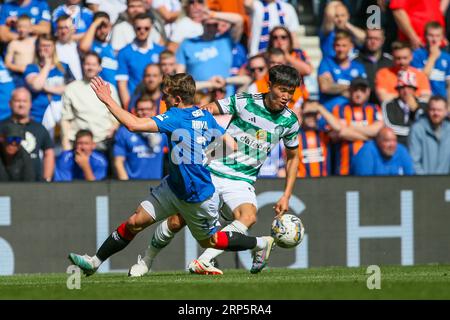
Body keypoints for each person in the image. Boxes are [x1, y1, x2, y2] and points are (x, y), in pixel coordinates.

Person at [68, 73, 275, 276]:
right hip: (173, 187)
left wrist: (107, 100)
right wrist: (204, 157)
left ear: (176, 99)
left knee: (209, 241)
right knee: (135, 222)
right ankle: (94, 262)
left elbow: (133, 124)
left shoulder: (175, 116)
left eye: (166, 97)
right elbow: (231, 144)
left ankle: (260, 243)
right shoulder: (204, 115)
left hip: (198, 196)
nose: (163, 101)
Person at [128, 65, 301, 277]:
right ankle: (146, 260)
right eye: (282, 89)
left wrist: (286, 195)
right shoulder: (244, 101)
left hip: (242, 179)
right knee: (176, 221)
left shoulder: (290, 121)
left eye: (290, 92)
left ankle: (203, 260)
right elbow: (209, 109)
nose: (286, 96)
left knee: (248, 216)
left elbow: (293, 158)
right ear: (270, 85)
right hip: (211, 168)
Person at [61, 52, 119, 152]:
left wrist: (114, 128)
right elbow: (66, 119)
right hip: (79, 143)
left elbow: (117, 115)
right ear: (83, 66)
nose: (90, 68)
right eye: (87, 64)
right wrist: (65, 143)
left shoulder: (109, 88)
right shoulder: (71, 89)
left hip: (103, 141)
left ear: (100, 67)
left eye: (93, 65)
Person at [297, 99, 367, 178]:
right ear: (302, 114)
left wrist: (320, 108)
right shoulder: (295, 137)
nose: (311, 117)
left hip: (325, 182)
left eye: (314, 114)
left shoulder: (325, 134)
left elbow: (339, 128)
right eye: (308, 114)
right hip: (303, 182)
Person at [331, 77, 384, 175]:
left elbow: (377, 131)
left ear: (368, 92)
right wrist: (369, 137)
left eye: (362, 90)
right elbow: (341, 133)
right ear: (349, 91)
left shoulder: (375, 109)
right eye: (355, 90)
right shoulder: (339, 109)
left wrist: (348, 127)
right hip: (345, 167)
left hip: (370, 166)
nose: (358, 94)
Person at [0, 88, 54, 182]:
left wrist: (47, 179)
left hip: (34, 182)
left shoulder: (39, 128)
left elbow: (49, 153)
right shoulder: (1, 127)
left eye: (24, 101)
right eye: (17, 101)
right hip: (5, 181)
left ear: (30, 104)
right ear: (10, 103)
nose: (21, 104)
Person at [116, 13, 165, 110]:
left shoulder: (160, 51)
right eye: (139, 28)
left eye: (146, 28)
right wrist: (129, 109)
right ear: (133, 28)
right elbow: (122, 84)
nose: (142, 31)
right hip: (137, 104)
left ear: (151, 28)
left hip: (159, 104)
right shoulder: (124, 52)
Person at [24, 34, 71, 135]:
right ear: (38, 47)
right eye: (43, 45)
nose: (45, 49)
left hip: (61, 115)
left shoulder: (63, 67)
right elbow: (36, 86)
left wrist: (46, 88)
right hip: (37, 116)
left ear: (54, 47)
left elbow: (73, 88)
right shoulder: (31, 68)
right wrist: (47, 64)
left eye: (48, 45)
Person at [114, 95, 166, 180]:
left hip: (156, 184)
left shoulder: (162, 131)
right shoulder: (124, 132)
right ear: (134, 111)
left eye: (148, 109)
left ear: (154, 110)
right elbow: (118, 161)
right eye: (141, 109)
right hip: (132, 184)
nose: (145, 112)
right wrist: (125, 185)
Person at [318, 30, 367, 111]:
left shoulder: (358, 67)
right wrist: (351, 87)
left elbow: (363, 92)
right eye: (338, 45)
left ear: (351, 46)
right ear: (333, 46)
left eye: (344, 46)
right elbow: (325, 87)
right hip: (329, 112)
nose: (340, 49)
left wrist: (335, 86)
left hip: (353, 115)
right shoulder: (326, 62)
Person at [382, 70, 428, 146]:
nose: (406, 91)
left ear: (414, 90)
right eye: (402, 87)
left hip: (418, 144)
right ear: (398, 90)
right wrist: (415, 131)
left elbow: (426, 125)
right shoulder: (388, 104)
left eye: (409, 87)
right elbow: (390, 127)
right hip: (396, 143)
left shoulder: (424, 104)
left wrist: (416, 109)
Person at [408, 96, 450, 174]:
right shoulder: (418, 129)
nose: (436, 113)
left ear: (446, 111)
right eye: (433, 110)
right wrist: (426, 181)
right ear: (428, 110)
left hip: (446, 183)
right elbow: (413, 161)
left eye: (439, 110)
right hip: (423, 182)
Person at [411, 22, 450, 101]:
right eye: (431, 35)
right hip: (423, 99)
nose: (434, 39)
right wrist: (433, 57)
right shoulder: (417, 55)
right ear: (425, 36)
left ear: (442, 37)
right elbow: (420, 79)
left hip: (442, 101)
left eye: (437, 36)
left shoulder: (446, 57)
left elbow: (449, 85)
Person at [79, 11, 118, 88]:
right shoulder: (91, 45)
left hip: (113, 92)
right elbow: (83, 47)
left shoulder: (112, 46)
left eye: (105, 26)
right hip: (95, 91)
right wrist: (95, 23)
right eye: (99, 27)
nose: (102, 31)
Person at [355, 28, 393, 105]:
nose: (373, 42)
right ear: (365, 39)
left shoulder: (390, 61)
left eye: (376, 39)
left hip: (386, 105)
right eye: (370, 38)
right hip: (362, 106)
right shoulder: (355, 61)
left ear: (383, 40)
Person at [4, 15, 37, 87]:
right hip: (19, 76)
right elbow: (7, 63)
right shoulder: (13, 44)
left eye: (25, 27)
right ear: (16, 27)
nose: (22, 29)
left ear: (31, 28)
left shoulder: (35, 41)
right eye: (19, 27)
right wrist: (22, 68)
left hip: (34, 73)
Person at [55, 15, 82, 81]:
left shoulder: (80, 47)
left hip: (79, 86)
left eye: (66, 28)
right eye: (60, 28)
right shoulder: (52, 47)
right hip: (61, 87)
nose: (63, 31)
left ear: (73, 29)